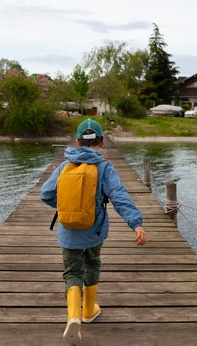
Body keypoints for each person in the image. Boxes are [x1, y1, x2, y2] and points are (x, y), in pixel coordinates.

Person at [40, 118, 147, 345]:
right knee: (92, 265)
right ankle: (88, 311)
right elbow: (119, 196)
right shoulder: (105, 168)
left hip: (68, 233)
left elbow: (46, 194)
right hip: (95, 232)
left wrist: (66, 207)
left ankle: (72, 317)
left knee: (72, 272)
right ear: (102, 143)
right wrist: (135, 223)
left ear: (77, 142)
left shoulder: (63, 166)